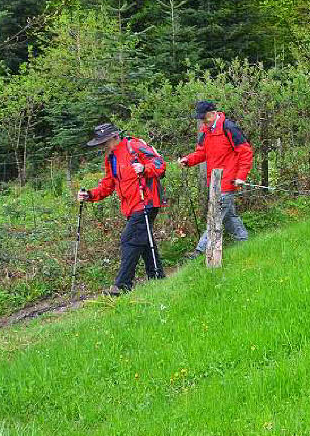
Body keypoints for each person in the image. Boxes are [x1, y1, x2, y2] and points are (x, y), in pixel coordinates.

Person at [77, 123, 166, 295]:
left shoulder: (134, 146)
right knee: (144, 241)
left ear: (114, 137)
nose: (103, 146)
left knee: (129, 239)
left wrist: (144, 168)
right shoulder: (111, 158)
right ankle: (157, 277)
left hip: (146, 201)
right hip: (130, 206)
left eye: (105, 142)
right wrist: (89, 195)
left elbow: (159, 163)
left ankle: (122, 285)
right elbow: (108, 184)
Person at [178, 101, 254, 258]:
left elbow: (245, 152)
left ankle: (199, 251)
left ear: (213, 113)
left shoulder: (229, 128)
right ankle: (244, 240)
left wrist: (241, 177)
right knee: (229, 216)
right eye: (201, 119)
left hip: (227, 181)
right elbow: (201, 153)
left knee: (215, 216)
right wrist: (188, 160)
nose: (203, 121)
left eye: (204, 118)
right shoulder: (205, 132)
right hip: (214, 182)